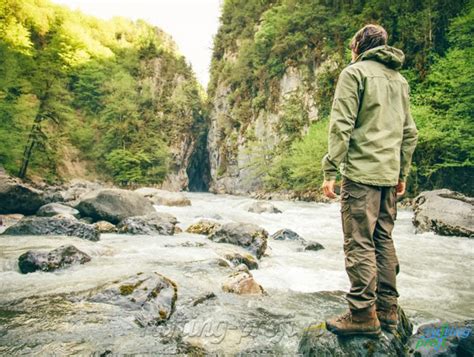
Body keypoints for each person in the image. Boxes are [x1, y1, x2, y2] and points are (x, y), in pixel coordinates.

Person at [321, 24, 418, 336]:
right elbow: (409, 133)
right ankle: (387, 309)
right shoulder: (399, 80)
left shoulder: (355, 73)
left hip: (361, 175)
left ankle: (362, 314)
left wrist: (330, 168)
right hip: (389, 175)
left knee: (359, 241)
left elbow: (342, 124)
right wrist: (402, 173)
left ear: (358, 46)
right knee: (383, 239)